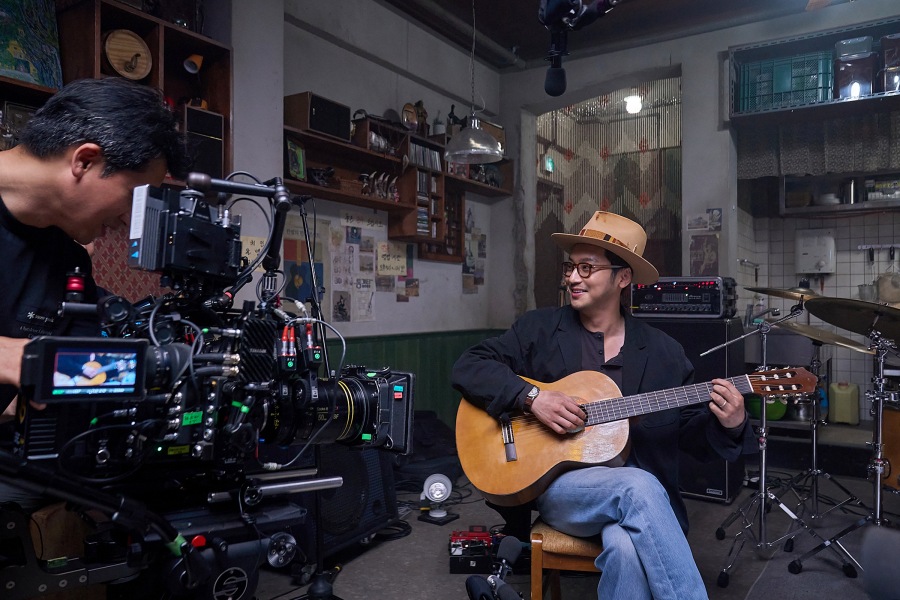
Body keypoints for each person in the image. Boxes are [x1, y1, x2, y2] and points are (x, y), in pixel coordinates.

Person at [451, 211, 756, 599]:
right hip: (563, 491)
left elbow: (691, 436)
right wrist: (532, 398)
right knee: (637, 487)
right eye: (570, 267)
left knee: (626, 547)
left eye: (586, 268)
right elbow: (469, 366)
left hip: (644, 501)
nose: (572, 278)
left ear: (622, 277)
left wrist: (731, 422)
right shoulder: (538, 329)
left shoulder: (664, 353)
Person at [0, 77, 190, 510]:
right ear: (85, 161)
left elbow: (80, 367)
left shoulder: (66, 256)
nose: (126, 221)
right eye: (132, 198)